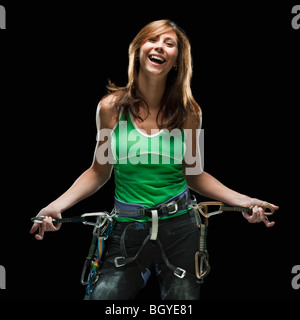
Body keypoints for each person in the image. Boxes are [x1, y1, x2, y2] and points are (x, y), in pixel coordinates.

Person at [30, 19, 278, 300]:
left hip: (181, 230)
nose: (159, 46)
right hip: (127, 230)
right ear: (138, 50)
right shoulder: (110, 108)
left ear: (176, 61)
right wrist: (55, 206)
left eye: (169, 44)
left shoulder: (189, 112)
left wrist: (245, 201)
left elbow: (194, 174)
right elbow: (99, 171)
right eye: (153, 40)